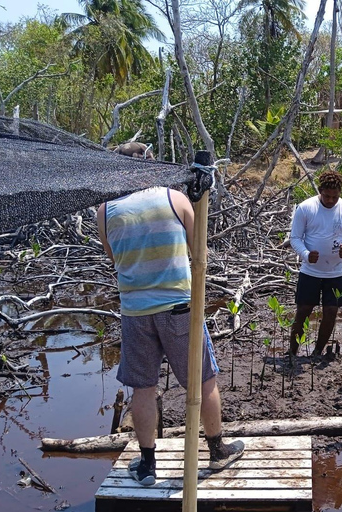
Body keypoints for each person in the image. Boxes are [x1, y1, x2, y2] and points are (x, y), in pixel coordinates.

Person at [97, 187, 244, 486]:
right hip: (178, 308)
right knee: (203, 380)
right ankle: (217, 451)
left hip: (134, 311)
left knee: (143, 388)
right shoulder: (174, 197)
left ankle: (147, 466)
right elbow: (198, 249)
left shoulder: (105, 210)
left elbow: (112, 256)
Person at [288, 170, 342, 356]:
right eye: (326, 196)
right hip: (310, 271)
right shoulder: (305, 208)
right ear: (320, 190)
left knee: (331, 312)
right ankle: (292, 352)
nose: (330, 201)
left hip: (335, 272)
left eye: (334, 197)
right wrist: (305, 254)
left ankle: (318, 352)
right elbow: (295, 237)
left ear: (340, 193)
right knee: (303, 310)